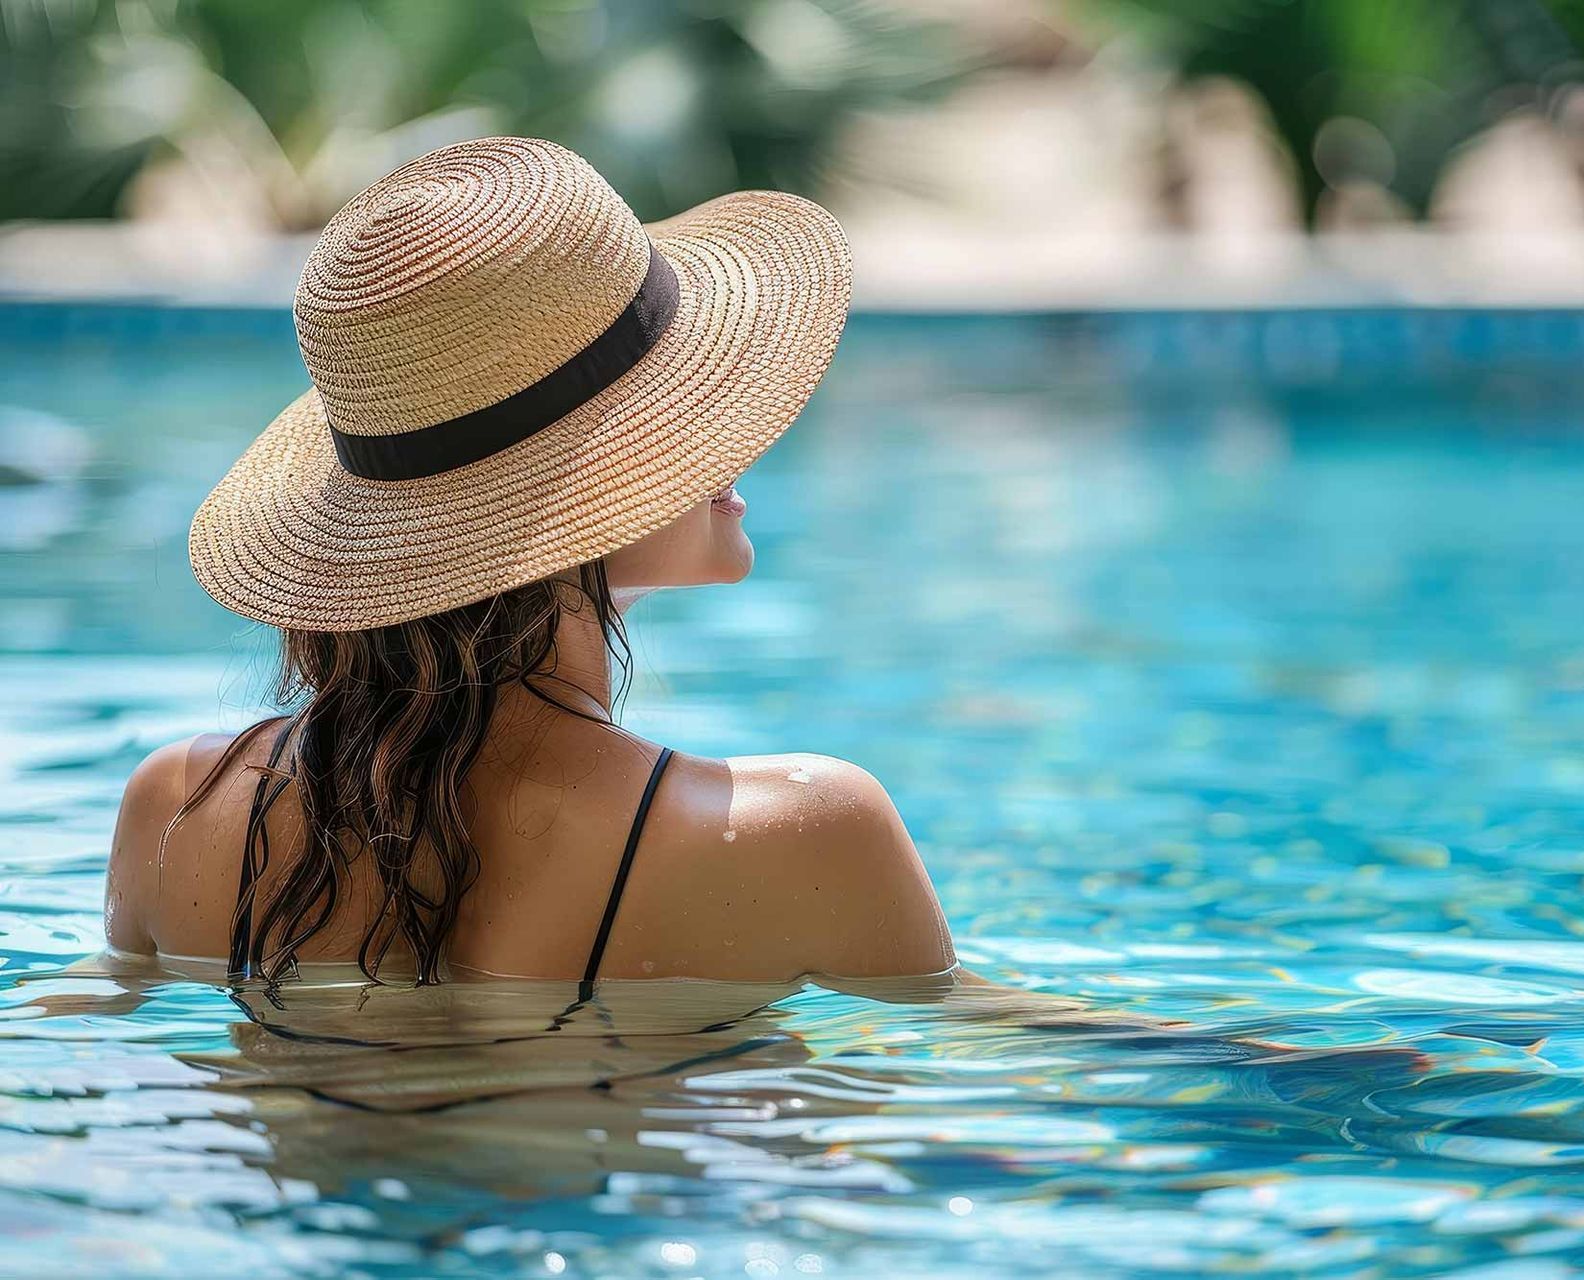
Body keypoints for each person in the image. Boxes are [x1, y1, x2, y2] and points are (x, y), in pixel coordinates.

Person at [103, 137, 955, 997]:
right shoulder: (803, 835)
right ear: (593, 481)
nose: (734, 436)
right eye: (671, 396)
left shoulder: (177, 810)